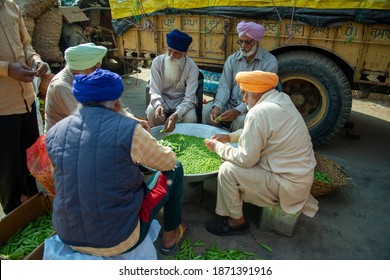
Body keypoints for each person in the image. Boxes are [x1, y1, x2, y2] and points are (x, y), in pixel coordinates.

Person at [45, 68, 187, 257]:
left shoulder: (55, 132)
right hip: (120, 238)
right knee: (175, 169)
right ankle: (170, 235)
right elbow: (167, 161)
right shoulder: (128, 130)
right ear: (117, 103)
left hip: (68, 234)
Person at [204, 70, 319, 236]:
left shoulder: (259, 112)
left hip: (287, 184)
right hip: (300, 178)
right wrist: (229, 137)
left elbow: (245, 160)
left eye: (244, 94)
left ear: (256, 92)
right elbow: (259, 132)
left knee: (228, 170)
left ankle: (236, 222)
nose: (243, 99)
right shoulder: (281, 99)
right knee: (237, 155)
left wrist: (218, 148)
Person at [0, 0, 49, 214]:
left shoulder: (11, 7)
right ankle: (13, 216)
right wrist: (6, 69)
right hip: (3, 108)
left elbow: (25, 44)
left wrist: (36, 60)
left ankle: (32, 209)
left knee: (31, 163)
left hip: (26, 100)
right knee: (8, 172)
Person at [44, 42, 150, 132]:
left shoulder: (83, 78)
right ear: (80, 67)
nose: (97, 72)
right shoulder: (61, 86)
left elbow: (112, 106)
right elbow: (89, 120)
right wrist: (129, 124)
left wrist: (133, 120)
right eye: (94, 67)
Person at [202, 21, 278, 131]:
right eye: (240, 42)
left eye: (248, 42)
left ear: (257, 42)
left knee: (241, 120)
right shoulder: (232, 59)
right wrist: (218, 106)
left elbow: (260, 95)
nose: (243, 46)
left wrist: (238, 111)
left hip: (252, 106)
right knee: (207, 111)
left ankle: (235, 146)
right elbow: (224, 87)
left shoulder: (269, 62)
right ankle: (212, 142)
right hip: (230, 103)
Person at [146, 29, 199, 132]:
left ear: (184, 54)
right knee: (151, 112)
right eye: (170, 51)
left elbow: (190, 98)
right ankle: (158, 138)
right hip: (163, 99)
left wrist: (176, 114)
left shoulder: (192, 67)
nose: (171, 56)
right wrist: (158, 105)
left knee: (191, 118)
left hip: (181, 100)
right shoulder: (157, 62)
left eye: (177, 53)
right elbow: (154, 90)